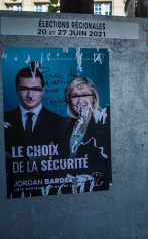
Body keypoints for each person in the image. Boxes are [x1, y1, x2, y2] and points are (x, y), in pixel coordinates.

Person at [4, 65, 63, 198]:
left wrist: (13, 155)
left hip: (49, 194)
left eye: (35, 89)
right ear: (16, 90)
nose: (30, 95)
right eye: (24, 89)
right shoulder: (3, 120)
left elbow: (61, 164)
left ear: (43, 90)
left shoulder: (60, 122)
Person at [58, 77, 111, 193]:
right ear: (68, 100)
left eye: (85, 94)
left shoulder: (105, 122)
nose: (80, 101)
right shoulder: (63, 126)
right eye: (74, 96)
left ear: (93, 97)